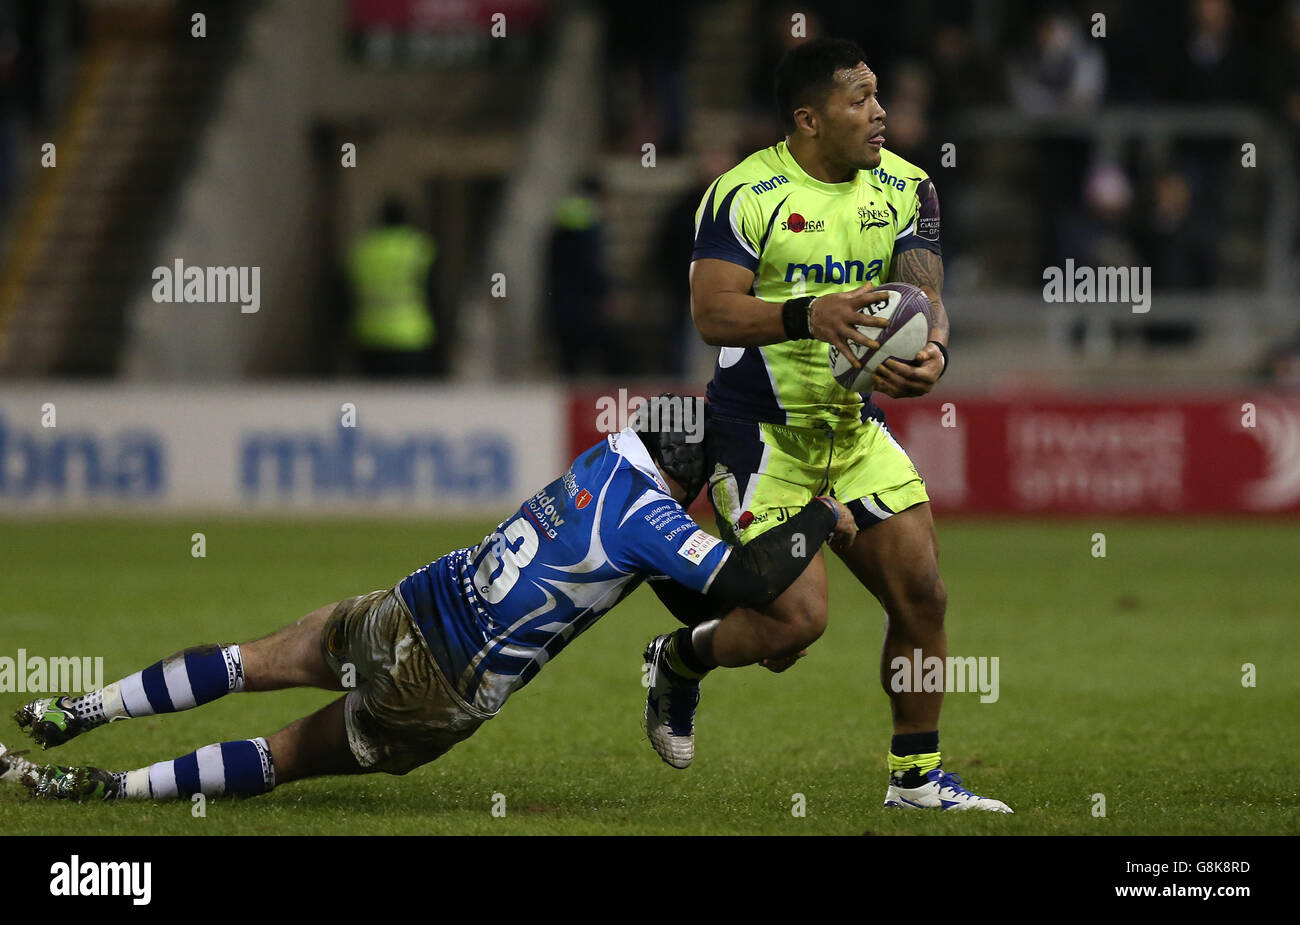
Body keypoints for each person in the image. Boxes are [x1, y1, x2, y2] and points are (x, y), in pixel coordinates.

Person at [2, 397, 856, 803]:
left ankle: (79, 704)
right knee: (284, 754)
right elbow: (743, 581)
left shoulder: (608, 459)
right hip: (444, 686)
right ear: (692, 477)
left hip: (417, 600)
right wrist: (821, 514)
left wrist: (693, 630)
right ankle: (102, 790)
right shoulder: (656, 519)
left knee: (246, 660)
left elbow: (667, 587)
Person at [639, 38, 1012, 812]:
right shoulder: (745, 194)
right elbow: (711, 312)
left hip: (855, 429)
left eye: (878, 95)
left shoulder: (909, 187)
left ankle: (915, 777)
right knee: (792, 628)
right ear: (809, 119)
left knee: (924, 595)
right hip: (761, 436)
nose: (880, 112)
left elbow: (924, 296)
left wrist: (934, 352)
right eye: (859, 99)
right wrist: (810, 313)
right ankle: (678, 659)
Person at [348, 196, 438, 378]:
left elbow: (347, 294)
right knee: (408, 400)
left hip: (369, 337)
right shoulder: (419, 247)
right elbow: (432, 294)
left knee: (375, 400)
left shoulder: (363, 249)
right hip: (412, 337)